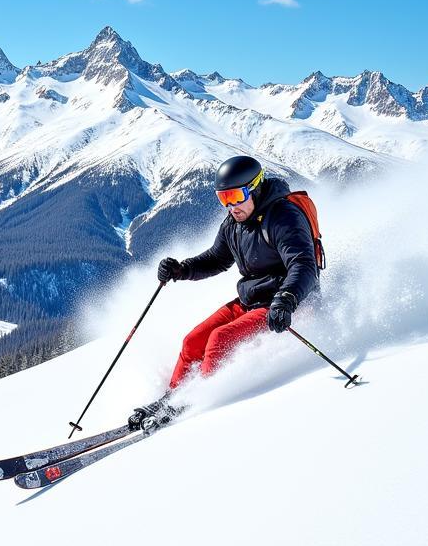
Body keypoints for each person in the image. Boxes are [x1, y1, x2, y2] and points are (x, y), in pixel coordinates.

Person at [129, 155, 319, 430]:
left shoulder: (283, 217)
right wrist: (181, 270)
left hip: (284, 302)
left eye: (235, 196)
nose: (230, 206)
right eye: (223, 198)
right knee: (193, 341)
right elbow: (217, 259)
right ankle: (173, 397)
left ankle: (198, 399)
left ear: (254, 188)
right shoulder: (234, 223)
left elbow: (304, 265)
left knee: (220, 339)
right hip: (251, 299)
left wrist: (287, 299)